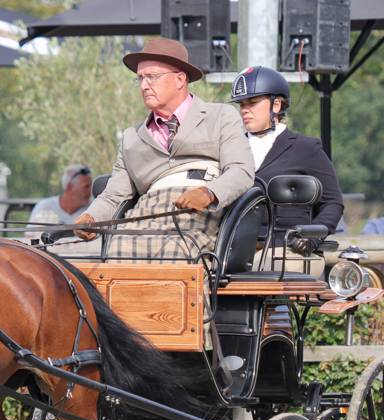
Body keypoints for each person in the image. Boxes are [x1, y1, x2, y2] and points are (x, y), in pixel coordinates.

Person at [75, 37, 253, 262]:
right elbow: (114, 196)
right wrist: (91, 217)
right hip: (144, 216)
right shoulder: (131, 138)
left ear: (180, 79)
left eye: (152, 77)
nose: (144, 85)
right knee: (114, 251)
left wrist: (209, 193)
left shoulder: (221, 116)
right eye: (140, 78)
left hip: (197, 215)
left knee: (174, 252)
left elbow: (241, 171)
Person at [231, 65, 343, 261]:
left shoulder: (306, 148)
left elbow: (333, 202)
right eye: (242, 104)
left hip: (288, 249)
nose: (245, 110)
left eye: (253, 103)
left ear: (276, 105)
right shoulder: (231, 146)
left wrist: (312, 237)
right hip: (235, 249)